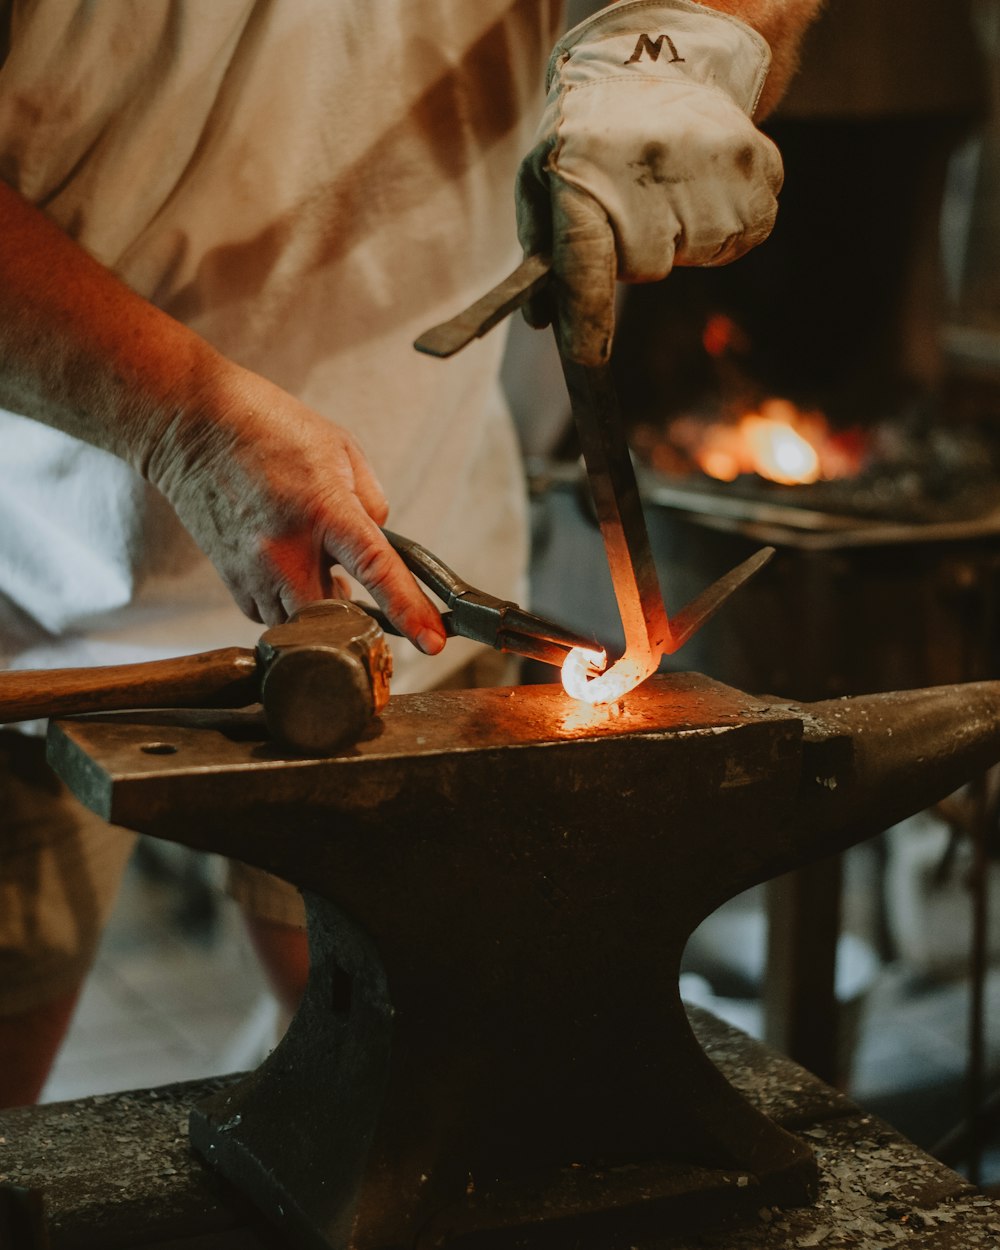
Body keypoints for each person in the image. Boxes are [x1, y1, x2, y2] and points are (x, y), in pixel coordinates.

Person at [0, 0, 820, 1107]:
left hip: (402, 609)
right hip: (37, 590)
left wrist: (673, 53)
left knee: (415, 1090)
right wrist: (183, 420)